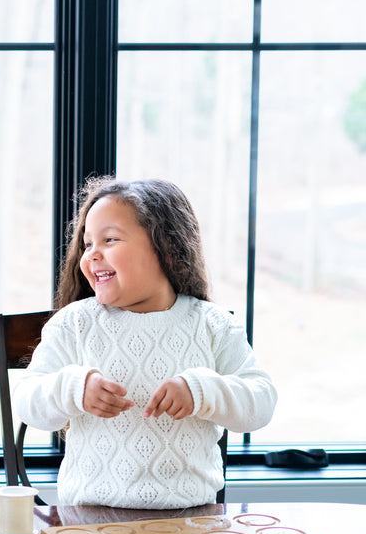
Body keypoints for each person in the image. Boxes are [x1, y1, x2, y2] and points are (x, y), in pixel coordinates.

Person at [14, 177, 276, 509]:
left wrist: (204, 392)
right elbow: (26, 400)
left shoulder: (213, 325)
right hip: (88, 522)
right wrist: (74, 390)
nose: (92, 255)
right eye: (87, 244)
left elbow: (262, 402)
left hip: (192, 523)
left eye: (109, 239)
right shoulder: (74, 324)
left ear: (165, 246)